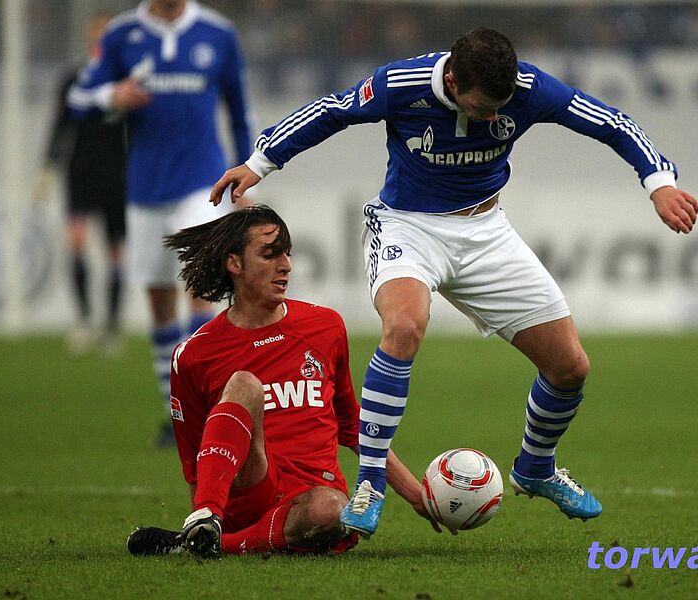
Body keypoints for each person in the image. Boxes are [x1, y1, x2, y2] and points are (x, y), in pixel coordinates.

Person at [210, 27, 698, 539]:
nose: (492, 119)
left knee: (570, 366)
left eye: (499, 109)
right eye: (482, 108)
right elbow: (331, 111)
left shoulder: (528, 88)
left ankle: (536, 466)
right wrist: (260, 162)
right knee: (404, 327)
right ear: (452, 82)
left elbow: (611, 121)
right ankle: (371, 482)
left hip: (487, 232)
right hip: (408, 228)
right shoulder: (401, 84)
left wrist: (659, 183)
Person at [125, 205, 436, 558]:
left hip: (316, 499)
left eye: (287, 253)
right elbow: (197, 461)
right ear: (235, 264)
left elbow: (353, 426)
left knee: (331, 509)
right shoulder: (194, 354)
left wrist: (416, 496)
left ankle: (204, 545)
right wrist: (205, 508)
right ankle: (206, 523)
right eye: (270, 254)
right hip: (250, 491)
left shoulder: (325, 326)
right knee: (244, 385)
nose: (285, 265)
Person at [67, 0, 254, 447]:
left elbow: (239, 108)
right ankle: (179, 415)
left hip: (203, 181)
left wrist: (248, 169)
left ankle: (208, 408)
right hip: (145, 187)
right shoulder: (120, 34)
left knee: (200, 285)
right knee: (159, 301)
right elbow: (77, 100)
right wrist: (112, 96)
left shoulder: (217, 33)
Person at [38, 13, 127, 355]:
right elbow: (59, 126)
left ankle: (112, 326)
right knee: (76, 241)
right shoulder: (73, 77)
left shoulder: (127, 80)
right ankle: (84, 319)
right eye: (97, 34)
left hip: (118, 174)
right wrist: (47, 167)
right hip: (80, 172)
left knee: (116, 251)